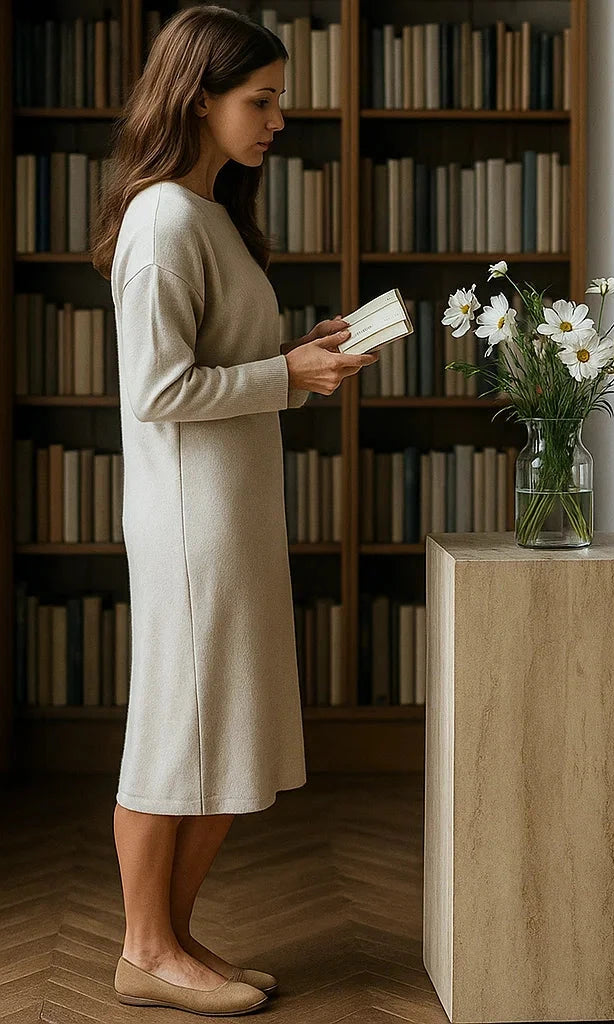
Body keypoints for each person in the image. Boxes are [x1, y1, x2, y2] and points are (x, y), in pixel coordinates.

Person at [90, 5, 376, 1015]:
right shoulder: (164, 219)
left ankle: (168, 942)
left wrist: (298, 358)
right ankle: (145, 949)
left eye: (278, 100)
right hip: (191, 523)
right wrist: (283, 374)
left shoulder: (208, 215)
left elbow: (218, 366)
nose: (277, 121)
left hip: (232, 512)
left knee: (221, 732)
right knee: (175, 732)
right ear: (197, 98)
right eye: (261, 100)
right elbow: (157, 390)